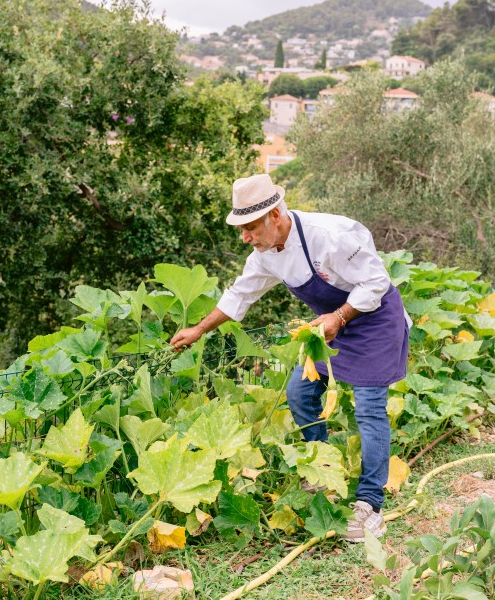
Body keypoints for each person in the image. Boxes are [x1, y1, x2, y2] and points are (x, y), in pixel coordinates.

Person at [171, 173, 410, 543]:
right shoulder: (265, 255)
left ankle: (370, 505)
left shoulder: (329, 236)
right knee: (300, 393)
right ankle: (322, 472)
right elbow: (240, 295)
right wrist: (199, 330)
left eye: (250, 227)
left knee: (368, 408)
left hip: (373, 319)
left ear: (277, 216)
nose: (245, 237)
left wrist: (340, 316)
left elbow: (377, 283)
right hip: (327, 326)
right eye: (242, 229)